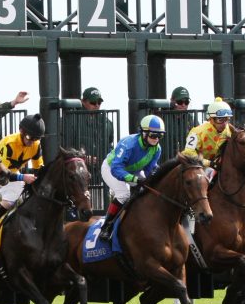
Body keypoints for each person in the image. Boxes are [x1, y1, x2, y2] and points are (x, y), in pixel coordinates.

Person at [0, 114, 44, 245]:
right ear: (21, 131)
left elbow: (38, 168)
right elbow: (1, 174)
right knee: (15, 191)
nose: (31, 142)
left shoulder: (36, 146)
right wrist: (23, 177)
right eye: (29, 137)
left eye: (35, 139)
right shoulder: (9, 144)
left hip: (12, 173)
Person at [97, 114, 165, 242]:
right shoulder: (128, 143)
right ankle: (106, 227)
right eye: (153, 135)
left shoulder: (157, 149)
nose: (156, 139)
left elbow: (150, 169)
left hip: (133, 170)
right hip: (111, 168)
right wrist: (134, 180)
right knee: (123, 194)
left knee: (148, 189)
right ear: (143, 133)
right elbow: (116, 169)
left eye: (160, 136)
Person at [182, 97, 234, 176]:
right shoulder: (197, 132)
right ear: (210, 119)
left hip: (217, 167)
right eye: (220, 119)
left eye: (227, 119)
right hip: (196, 167)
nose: (224, 124)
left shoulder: (229, 131)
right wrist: (209, 163)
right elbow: (188, 153)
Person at [62, 87, 115, 159]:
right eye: (93, 102)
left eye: (99, 102)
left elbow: (109, 146)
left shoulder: (107, 123)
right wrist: (84, 158)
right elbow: (66, 147)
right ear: (83, 102)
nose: (97, 105)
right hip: (79, 167)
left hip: (101, 167)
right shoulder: (71, 121)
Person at [165, 86, 194, 151]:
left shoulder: (190, 118)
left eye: (186, 102)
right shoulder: (163, 117)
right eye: (180, 102)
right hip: (166, 158)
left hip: (186, 157)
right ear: (171, 101)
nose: (183, 105)